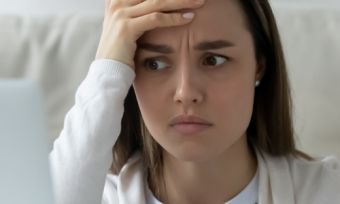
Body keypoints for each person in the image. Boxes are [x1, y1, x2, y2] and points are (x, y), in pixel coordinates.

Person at [49, 0, 340, 203]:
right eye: (155, 64)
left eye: (214, 60)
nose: (186, 92)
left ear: (259, 66)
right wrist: (107, 67)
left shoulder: (326, 191)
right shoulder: (101, 196)